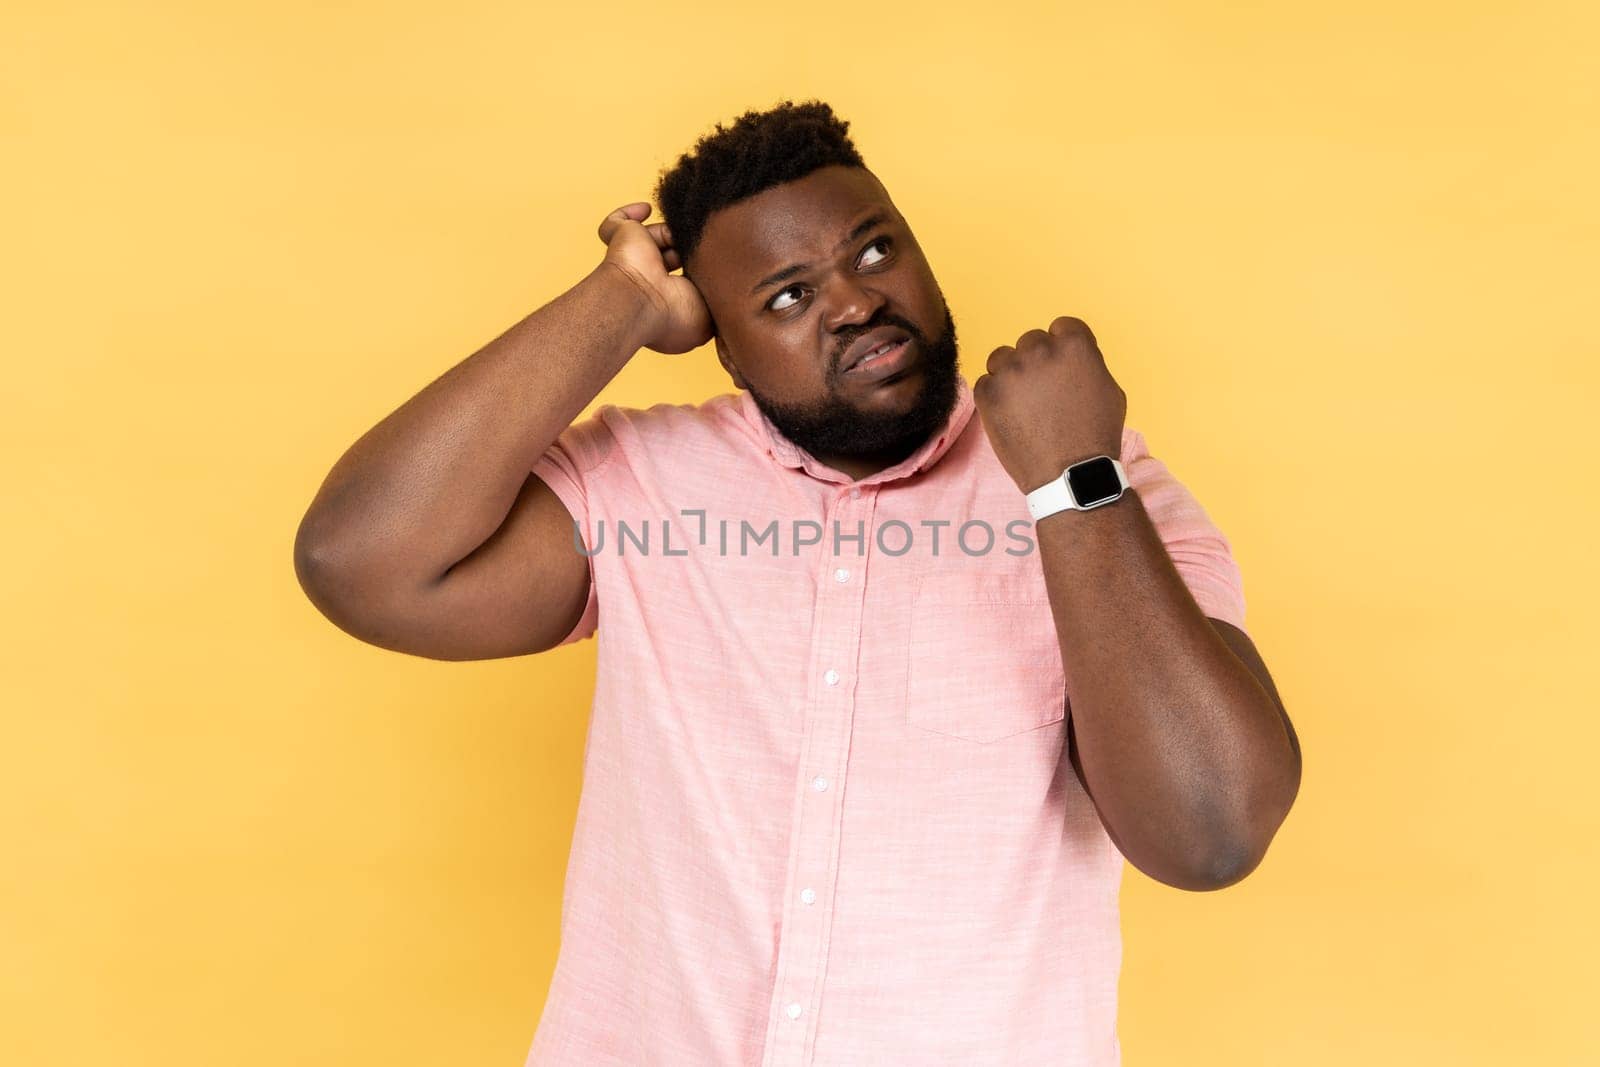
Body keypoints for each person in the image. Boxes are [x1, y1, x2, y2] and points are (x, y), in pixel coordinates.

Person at [294, 99, 1302, 1067]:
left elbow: (1208, 833)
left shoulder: (1095, 483)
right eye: (787, 295)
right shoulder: (640, 483)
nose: (857, 300)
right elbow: (361, 561)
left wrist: (1072, 488)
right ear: (723, 350)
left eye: (875, 249)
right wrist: (623, 301)